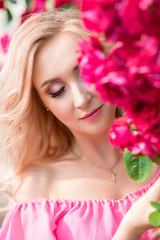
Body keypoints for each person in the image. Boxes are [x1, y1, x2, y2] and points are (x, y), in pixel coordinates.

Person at [0, 8, 160, 240]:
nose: (81, 98)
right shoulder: (39, 190)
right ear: (42, 103)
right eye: (56, 91)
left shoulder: (154, 141)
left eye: (85, 73)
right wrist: (130, 228)